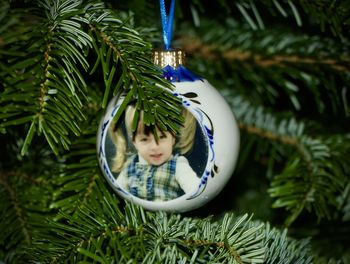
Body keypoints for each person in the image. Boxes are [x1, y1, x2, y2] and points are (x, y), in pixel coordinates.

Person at [109, 104, 200, 202]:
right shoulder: (130, 166)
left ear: (173, 138)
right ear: (135, 143)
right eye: (144, 139)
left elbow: (195, 188)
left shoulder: (178, 164)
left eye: (162, 137)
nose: (155, 147)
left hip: (167, 216)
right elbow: (116, 193)